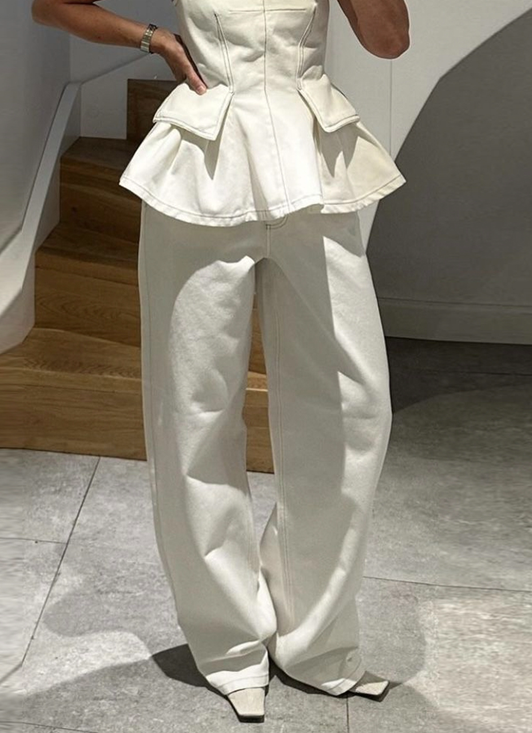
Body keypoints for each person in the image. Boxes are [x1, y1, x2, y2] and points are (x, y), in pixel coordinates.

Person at [32, 0, 410, 722]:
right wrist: (152, 39)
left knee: (355, 408)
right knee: (194, 412)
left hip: (312, 158)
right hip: (203, 162)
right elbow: (51, 7)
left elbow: (389, 40)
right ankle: (229, 641)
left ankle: (315, 638)